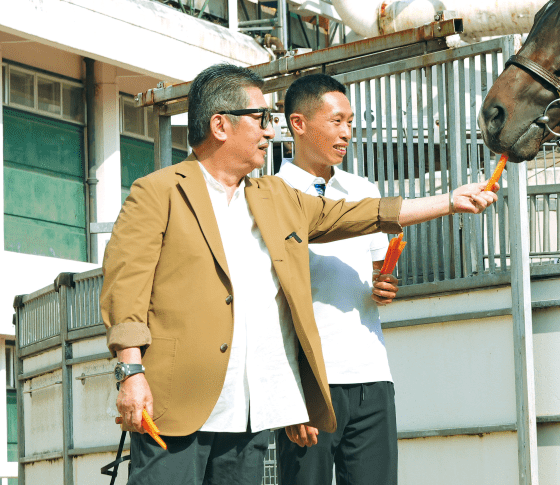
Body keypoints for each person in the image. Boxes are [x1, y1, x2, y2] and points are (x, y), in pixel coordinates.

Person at [100, 63, 497, 485]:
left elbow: (362, 214)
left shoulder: (274, 197)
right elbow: (126, 290)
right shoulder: (158, 191)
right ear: (220, 124)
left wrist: (450, 201)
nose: (270, 132)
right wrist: (131, 372)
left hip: (249, 416)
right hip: (176, 406)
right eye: (261, 119)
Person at [272, 74, 399, 485]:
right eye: (337, 121)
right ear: (299, 124)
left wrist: (386, 286)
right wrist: (290, 394)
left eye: (350, 122)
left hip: (372, 374)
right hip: (310, 380)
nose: (347, 133)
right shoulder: (270, 193)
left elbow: (381, 271)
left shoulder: (363, 190)